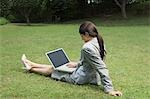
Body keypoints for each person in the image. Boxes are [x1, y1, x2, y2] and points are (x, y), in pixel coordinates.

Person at [21, 21, 122, 96]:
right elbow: (90, 62)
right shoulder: (99, 41)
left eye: (81, 35)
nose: (81, 38)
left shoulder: (87, 48)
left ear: (86, 34)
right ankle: (30, 63)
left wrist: (109, 90)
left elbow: (101, 67)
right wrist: (76, 64)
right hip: (87, 73)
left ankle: (30, 68)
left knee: (53, 70)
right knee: (57, 67)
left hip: (80, 77)